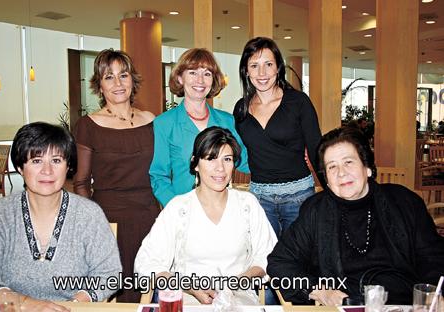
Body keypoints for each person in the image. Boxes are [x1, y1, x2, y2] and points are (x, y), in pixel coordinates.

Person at [267, 127, 444, 306]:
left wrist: (432, 294)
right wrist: (319, 291)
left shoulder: (404, 202)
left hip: (401, 304)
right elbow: (279, 262)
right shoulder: (315, 211)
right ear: (327, 179)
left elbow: (434, 259)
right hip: (344, 307)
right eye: (332, 166)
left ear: (367, 167)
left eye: (348, 162)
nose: (341, 172)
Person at [0, 122, 122, 312]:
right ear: (20, 167)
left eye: (56, 160)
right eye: (36, 161)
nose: (47, 171)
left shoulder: (89, 214)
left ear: (68, 166)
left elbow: (110, 274)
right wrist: (27, 305)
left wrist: (75, 304)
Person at [136, 127, 276, 305]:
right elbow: (147, 263)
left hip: (238, 301)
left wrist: (243, 279)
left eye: (227, 159)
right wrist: (189, 286)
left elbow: (268, 254)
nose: (220, 168)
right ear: (195, 163)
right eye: (211, 159)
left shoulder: (247, 204)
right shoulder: (179, 208)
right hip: (188, 302)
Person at [73, 49, 160, 302]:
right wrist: (94, 225)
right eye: (109, 77)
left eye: (123, 75)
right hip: (110, 221)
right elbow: (80, 183)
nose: (118, 83)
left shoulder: (152, 120)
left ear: (133, 80)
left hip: (150, 216)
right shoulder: (88, 126)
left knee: (153, 289)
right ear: (99, 86)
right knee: (120, 292)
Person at [233, 37, 321, 237]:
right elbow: (238, 150)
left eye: (268, 64)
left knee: (298, 262)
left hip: (299, 197)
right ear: (246, 71)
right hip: (260, 199)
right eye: (254, 65)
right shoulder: (241, 108)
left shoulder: (298, 102)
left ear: (278, 68)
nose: (262, 73)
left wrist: (333, 192)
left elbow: (317, 149)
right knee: (265, 262)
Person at [150, 48, 249, 207]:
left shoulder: (227, 121)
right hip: (184, 211)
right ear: (180, 78)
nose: (200, 80)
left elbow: (244, 161)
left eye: (207, 74)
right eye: (193, 73)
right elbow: (158, 177)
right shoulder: (164, 123)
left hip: (222, 207)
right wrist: (178, 210)